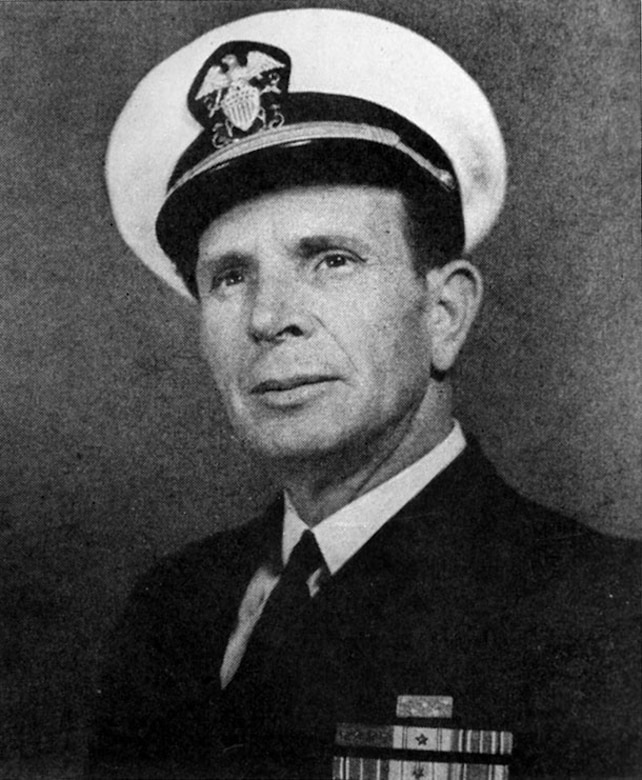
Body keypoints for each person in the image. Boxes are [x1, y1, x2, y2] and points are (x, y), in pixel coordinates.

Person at [88, 8, 641, 779]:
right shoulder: (173, 608)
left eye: (331, 260)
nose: (271, 319)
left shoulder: (605, 613)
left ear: (444, 314)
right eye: (231, 276)